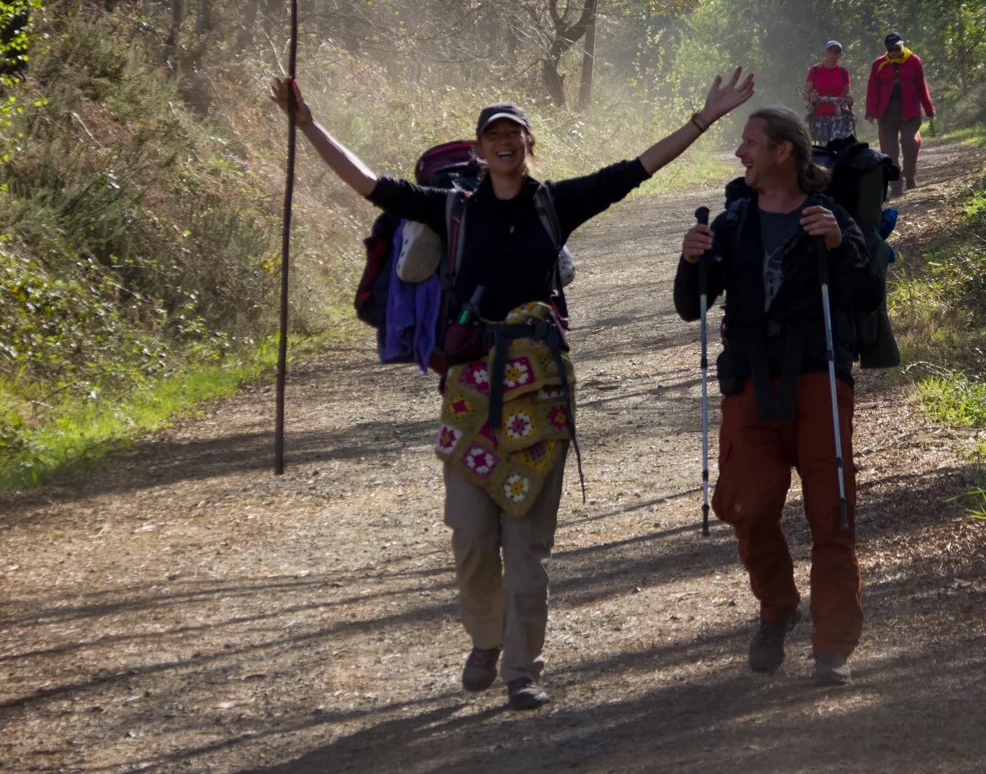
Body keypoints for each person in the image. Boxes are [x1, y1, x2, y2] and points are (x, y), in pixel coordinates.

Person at [271, 68, 754, 711]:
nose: (505, 144)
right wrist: (306, 125)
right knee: (471, 536)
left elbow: (636, 169)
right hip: (470, 389)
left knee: (528, 540)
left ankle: (523, 669)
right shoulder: (451, 209)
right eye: (494, 136)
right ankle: (487, 638)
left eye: (515, 134)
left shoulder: (557, 204)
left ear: (530, 145)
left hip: (541, 392)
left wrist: (705, 118)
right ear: (478, 151)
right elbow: (368, 184)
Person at [675, 107, 884, 687]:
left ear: (783, 152)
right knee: (747, 506)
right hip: (750, 382)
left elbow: (865, 293)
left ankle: (831, 649)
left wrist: (841, 245)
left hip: (819, 377)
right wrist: (690, 260)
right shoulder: (733, 222)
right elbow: (691, 305)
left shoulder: (828, 216)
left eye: (749, 143)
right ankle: (778, 607)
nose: (740, 152)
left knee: (832, 513)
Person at [863, 31, 934, 196]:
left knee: (910, 142)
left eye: (897, 48)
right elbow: (872, 88)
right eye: (891, 49)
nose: (894, 52)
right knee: (889, 150)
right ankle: (896, 184)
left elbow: (921, 85)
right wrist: (870, 112)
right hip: (887, 112)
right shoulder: (878, 64)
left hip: (910, 110)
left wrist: (928, 108)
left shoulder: (914, 61)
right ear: (886, 49)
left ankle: (910, 175)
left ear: (902, 45)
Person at [804, 40, 853, 144]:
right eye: (830, 51)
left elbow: (847, 94)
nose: (833, 54)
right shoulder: (815, 70)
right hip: (820, 115)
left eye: (837, 52)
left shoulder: (843, 72)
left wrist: (848, 101)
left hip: (839, 116)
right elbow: (806, 95)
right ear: (824, 53)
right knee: (824, 148)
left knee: (839, 145)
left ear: (840, 55)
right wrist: (811, 97)